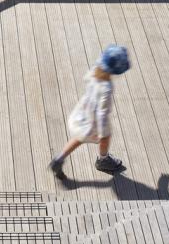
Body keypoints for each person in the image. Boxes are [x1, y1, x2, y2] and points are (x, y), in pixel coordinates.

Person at [49, 44, 131, 179]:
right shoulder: (106, 88)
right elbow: (102, 114)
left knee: (79, 137)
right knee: (106, 138)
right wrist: (102, 133)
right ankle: (103, 160)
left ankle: (59, 159)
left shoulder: (95, 70)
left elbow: (86, 79)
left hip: (82, 115)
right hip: (93, 123)